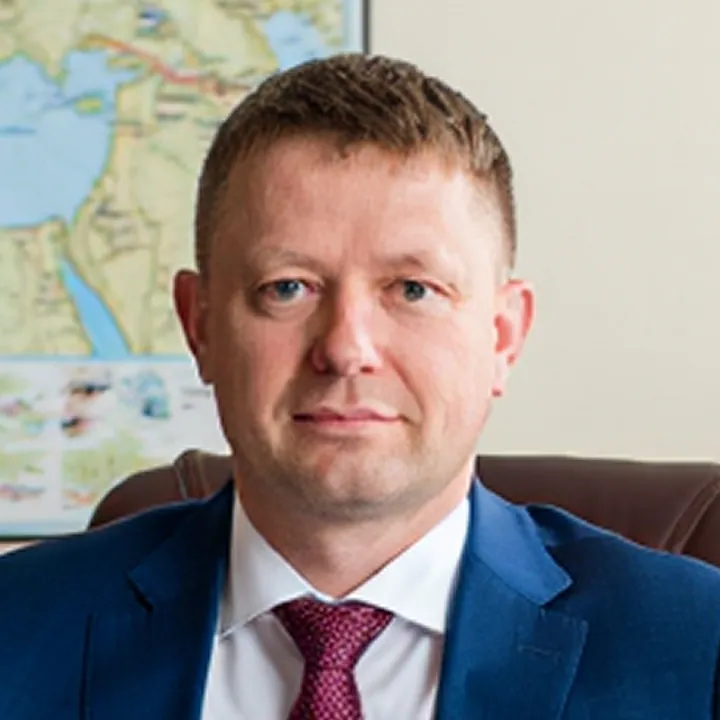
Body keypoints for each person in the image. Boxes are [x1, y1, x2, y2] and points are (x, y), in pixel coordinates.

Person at [0, 53, 719, 720]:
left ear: (503, 336)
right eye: (288, 287)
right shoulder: (16, 628)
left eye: (413, 289)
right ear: (201, 325)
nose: (346, 349)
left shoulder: (698, 650)